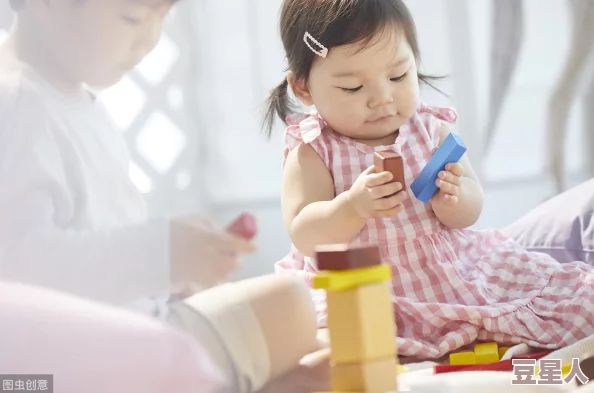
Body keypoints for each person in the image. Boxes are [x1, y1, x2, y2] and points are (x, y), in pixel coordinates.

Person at [0, 1, 329, 391]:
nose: (150, 39)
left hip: (132, 326)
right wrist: (159, 255)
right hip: (83, 355)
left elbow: (98, 234)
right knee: (290, 305)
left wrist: (171, 276)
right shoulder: (16, 106)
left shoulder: (72, 101)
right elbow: (19, 274)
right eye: (133, 18)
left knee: (313, 356)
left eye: (163, 17)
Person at [266, 0, 594, 360]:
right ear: (303, 88)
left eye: (397, 76)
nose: (382, 98)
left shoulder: (429, 130)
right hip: (365, 286)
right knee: (333, 349)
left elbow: (470, 209)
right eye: (353, 88)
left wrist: (455, 197)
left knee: (571, 301)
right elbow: (306, 234)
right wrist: (351, 206)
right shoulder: (314, 151)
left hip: (450, 271)